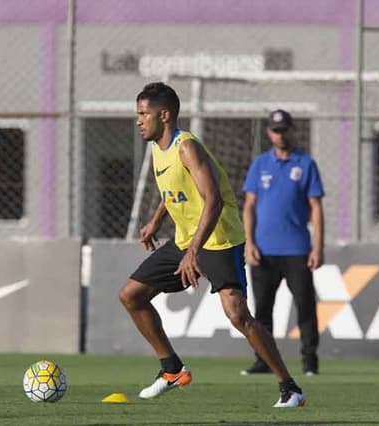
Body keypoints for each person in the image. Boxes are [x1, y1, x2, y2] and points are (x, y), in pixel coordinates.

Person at [118, 82, 305, 408]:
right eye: (138, 114)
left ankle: (290, 389)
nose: (139, 120)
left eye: (143, 114)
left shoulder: (186, 147)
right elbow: (176, 188)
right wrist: (157, 220)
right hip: (186, 239)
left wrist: (193, 252)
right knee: (131, 295)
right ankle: (172, 369)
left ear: (164, 115)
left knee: (238, 316)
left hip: (218, 239)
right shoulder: (157, 148)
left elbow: (213, 200)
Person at [241, 109, 324, 376]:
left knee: (305, 306)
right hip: (264, 250)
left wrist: (318, 246)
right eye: (276, 130)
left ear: (291, 130)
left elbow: (316, 207)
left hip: (297, 248)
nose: (280, 134)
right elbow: (249, 206)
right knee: (263, 308)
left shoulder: (306, 164)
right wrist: (249, 243)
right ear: (269, 133)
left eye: (284, 129)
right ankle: (263, 360)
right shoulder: (260, 164)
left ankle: (309, 361)